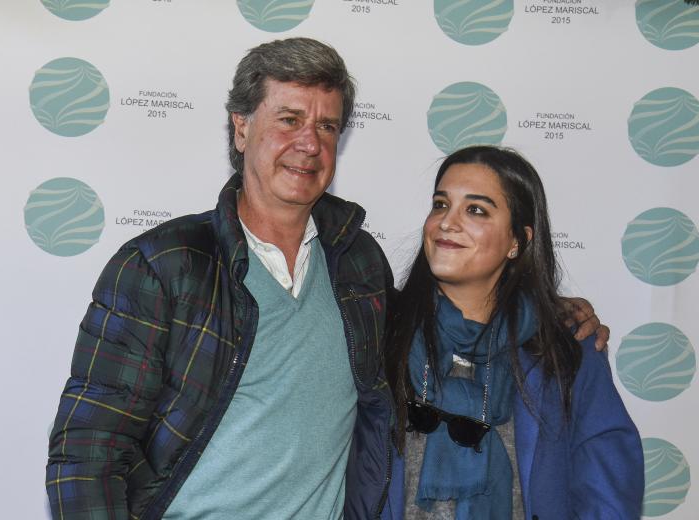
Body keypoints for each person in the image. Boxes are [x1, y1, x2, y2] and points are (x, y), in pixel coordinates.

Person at [45, 38, 608, 520]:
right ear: (241, 128)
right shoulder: (164, 265)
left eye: (327, 125)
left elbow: (456, 313)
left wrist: (552, 308)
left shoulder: (357, 262)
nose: (309, 143)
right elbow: (88, 451)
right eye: (288, 119)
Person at [382, 146, 644, 520]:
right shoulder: (378, 333)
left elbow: (609, 484)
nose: (447, 222)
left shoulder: (567, 348)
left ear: (517, 241)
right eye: (441, 204)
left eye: (476, 210)